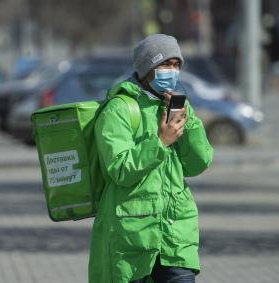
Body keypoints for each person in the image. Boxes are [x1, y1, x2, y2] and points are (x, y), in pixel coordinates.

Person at [89, 34, 214, 283]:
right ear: (146, 68)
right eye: (165, 64)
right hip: (132, 237)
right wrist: (160, 142)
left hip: (175, 235)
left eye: (176, 65)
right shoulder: (119, 109)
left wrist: (187, 125)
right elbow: (120, 169)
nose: (172, 71)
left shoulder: (177, 106)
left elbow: (198, 163)